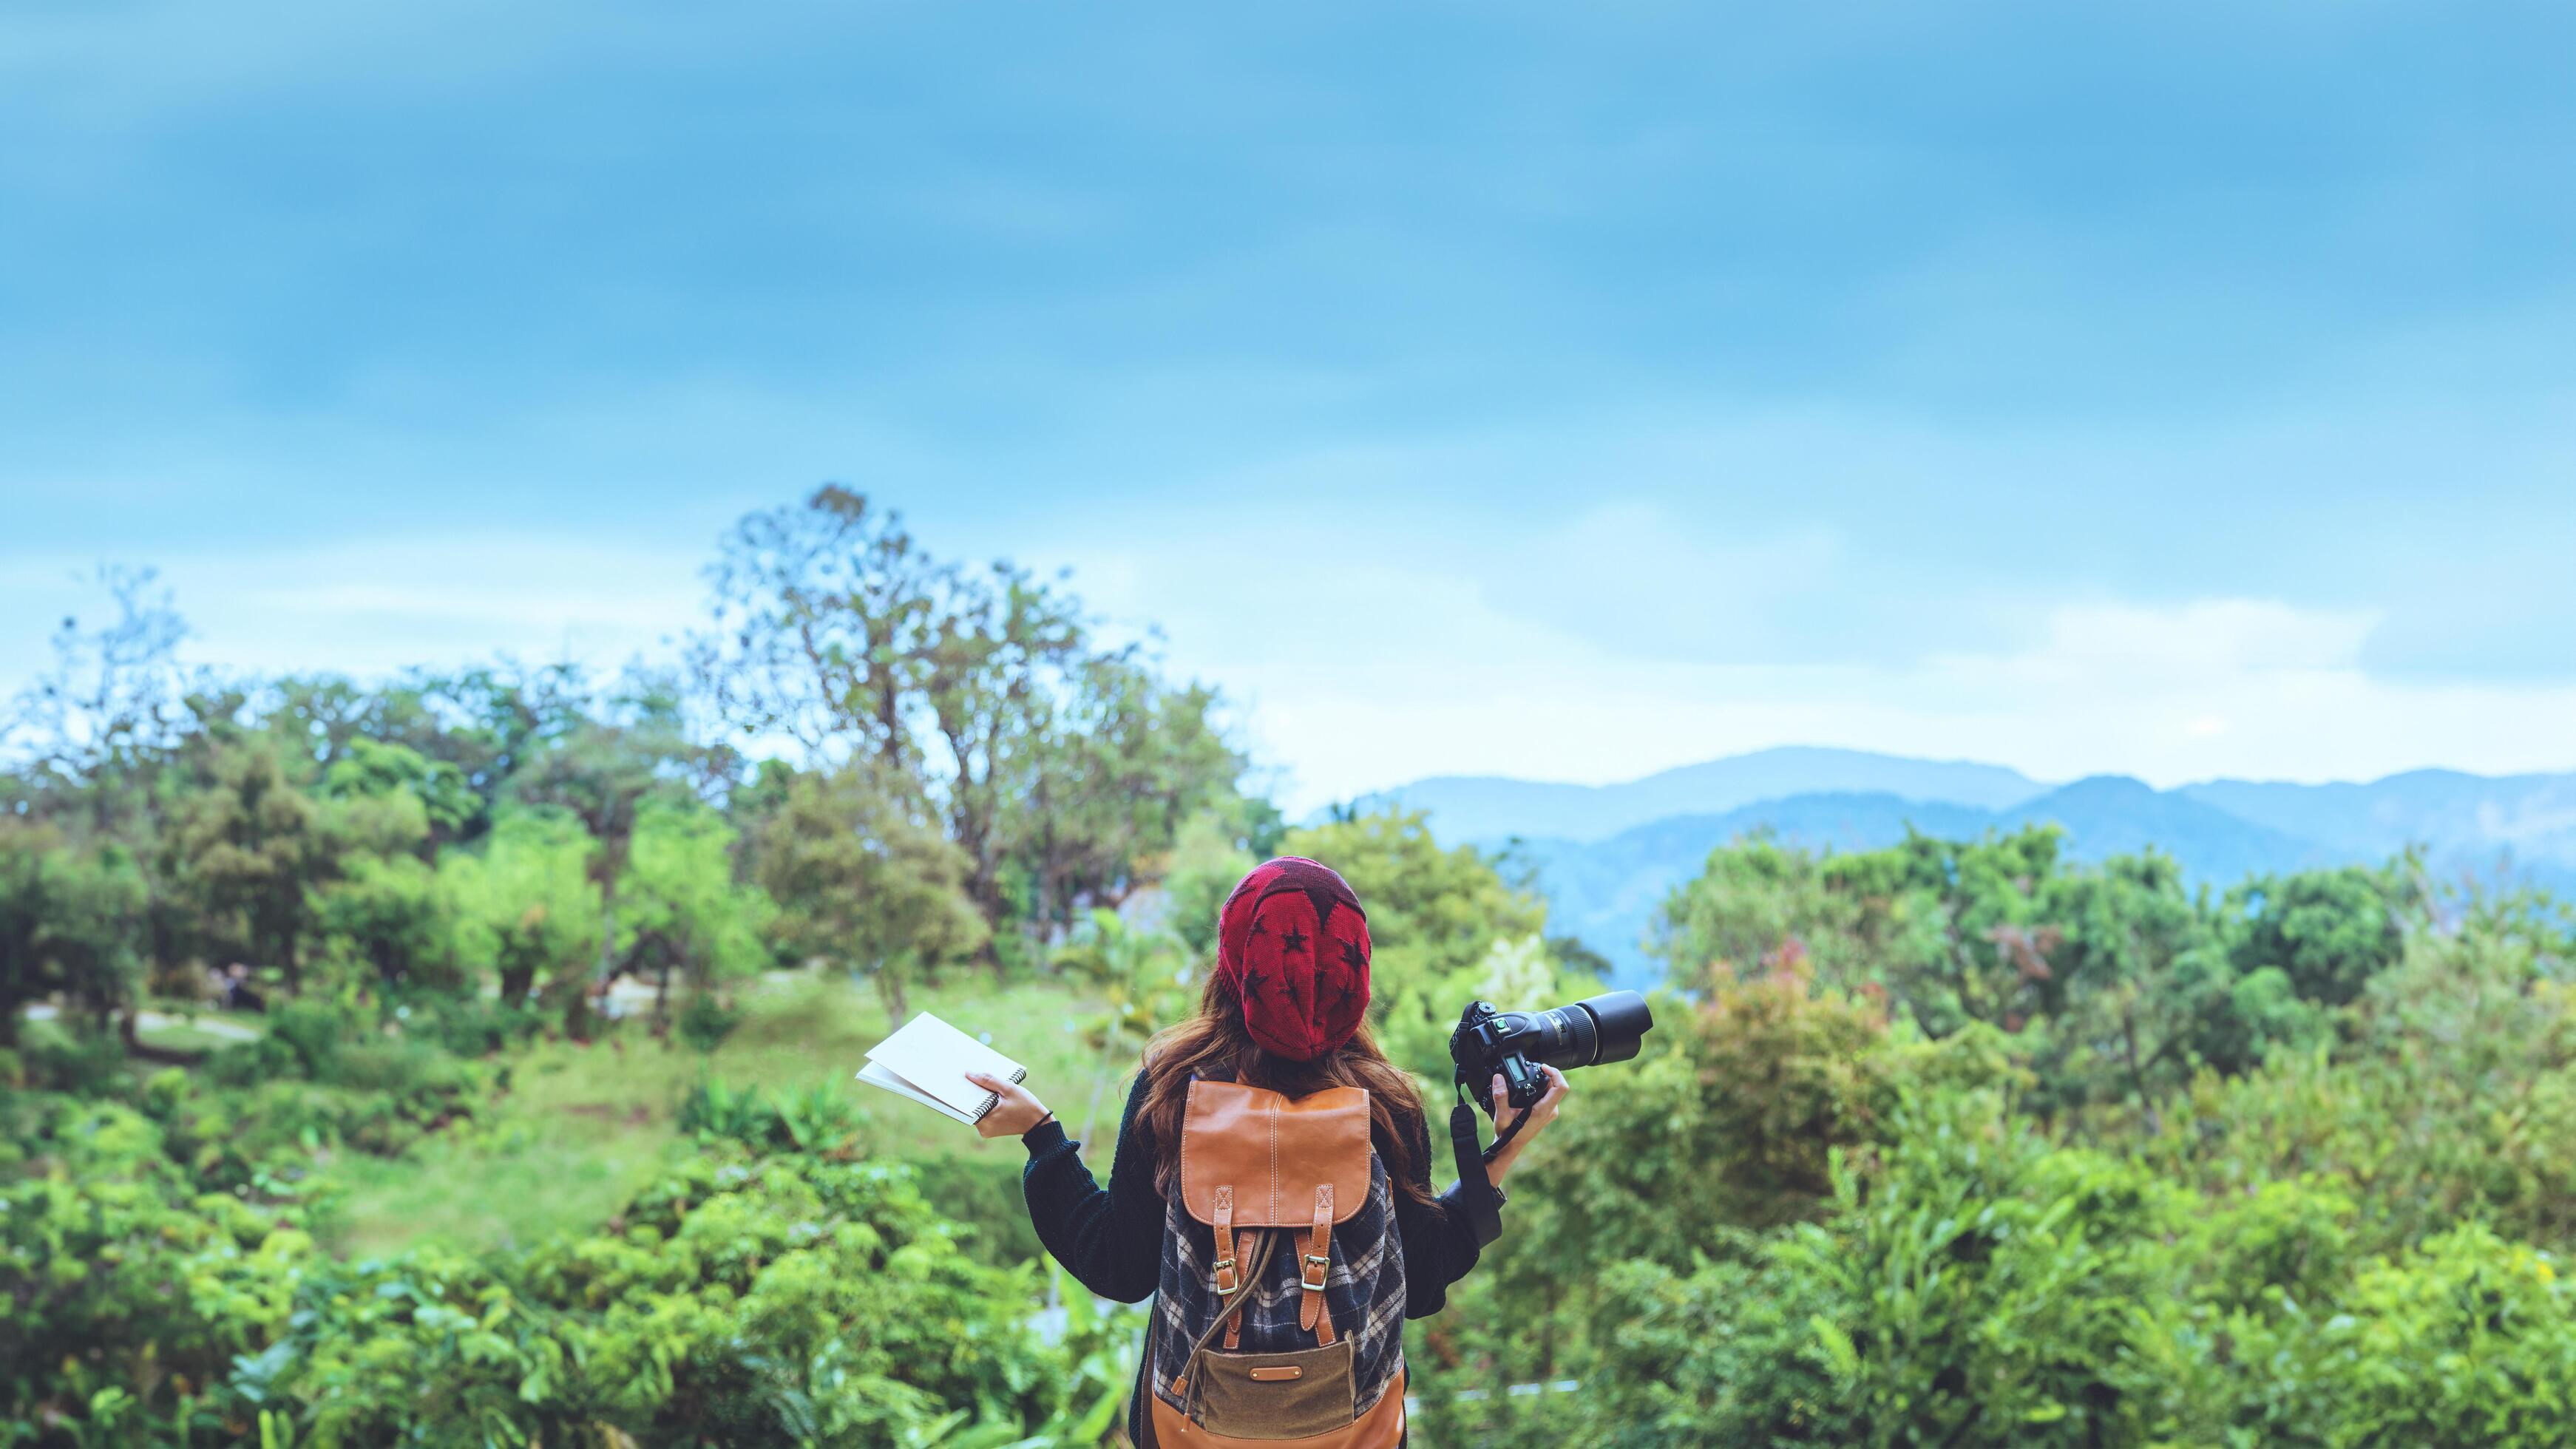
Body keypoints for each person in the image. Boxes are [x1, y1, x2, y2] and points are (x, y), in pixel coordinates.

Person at [972, 855, 1569, 1447]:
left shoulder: (1173, 1089)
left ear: (1235, 960)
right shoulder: (1385, 1105)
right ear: (1353, 973)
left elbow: (1118, 1267)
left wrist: (1042, 1136)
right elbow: (1422, 1283)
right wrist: (1501, 1152)